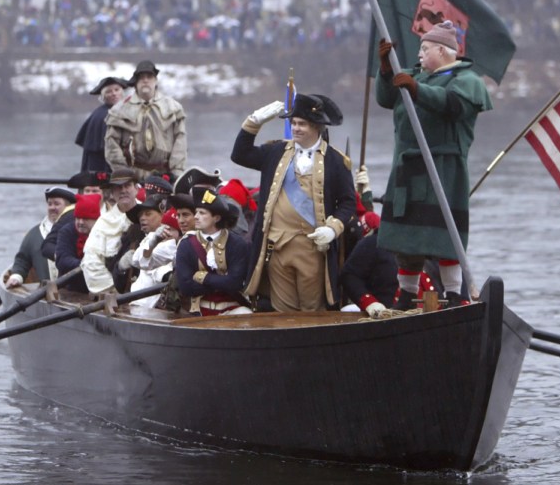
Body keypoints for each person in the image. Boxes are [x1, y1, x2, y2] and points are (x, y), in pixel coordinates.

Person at [376, 19, 492, 308]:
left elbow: (451, 105)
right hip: (407, 166)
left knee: (444, 237)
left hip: (443, 167)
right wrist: (386, 70)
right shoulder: (413, 76)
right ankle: (405, 295)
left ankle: (454, 294)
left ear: (443, 51)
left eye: (425, 48)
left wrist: (416, 89)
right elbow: (386, 98)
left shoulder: (466, 80)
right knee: (406, 238)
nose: (419, 54)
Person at [231, 93, 355, 312]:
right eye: (294, 123)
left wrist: (333, 229)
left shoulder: (335, 161)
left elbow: (347, 203)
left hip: (313, 249)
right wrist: (253, 122)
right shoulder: (276, 152)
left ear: (317, 126)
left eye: (302, 124)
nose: (296, 128)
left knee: (312, 313)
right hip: (277, 246)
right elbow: (240, 154)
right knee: (283, 313)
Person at [104, 60, 187, 180]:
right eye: (141, 77)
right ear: (136, 82)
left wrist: (176, 173)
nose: (145, 80)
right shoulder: (119, 111)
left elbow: (180, 142)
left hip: (165, 176)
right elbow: (111, 145)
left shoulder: (173, 108)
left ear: (156, 81)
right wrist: (124, 175)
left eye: (149, 77)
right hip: (132, 177)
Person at [175, 185, 251, 316]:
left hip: (233, 310)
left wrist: (203, 277)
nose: (196, 217)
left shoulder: (237, 244)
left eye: (202, 213)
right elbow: (186, 286)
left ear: (216, 218)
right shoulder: (186, 245)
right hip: (198, 312)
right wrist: (223, 281)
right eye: (196, 212)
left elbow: (235, 283)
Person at [80, 168, 140, 295]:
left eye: (127, 186)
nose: (123, 191)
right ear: (112, 193)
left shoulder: (151, 214)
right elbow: (91, 263)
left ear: (136, 188)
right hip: (116, 294)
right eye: (118, 187)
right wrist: (115, 290)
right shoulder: (103, 224)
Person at [5, 187, 76, 288]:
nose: (52, 208)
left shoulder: (79, 230)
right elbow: (22, 260)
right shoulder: (34, 234)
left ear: (69, 207)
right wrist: (16, 277)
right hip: (45, 295)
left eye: (56, 204)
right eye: (50, 204)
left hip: (76, 293)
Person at [75, 76, 129, 172]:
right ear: (103, 96)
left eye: (117, 90)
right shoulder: (104, 115)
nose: (114, 94)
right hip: (102, 168)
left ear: (122, 92)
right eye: (109, 91)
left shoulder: (119, 112)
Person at [55, 192, 103, 294]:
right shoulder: (66, 232)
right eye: (77, 218)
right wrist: (85, 264)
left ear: (96, 220)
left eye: (85, 219)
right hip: (70, 288)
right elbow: (62, 261)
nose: (80, 222)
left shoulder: (105, 233)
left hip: (99, 288)